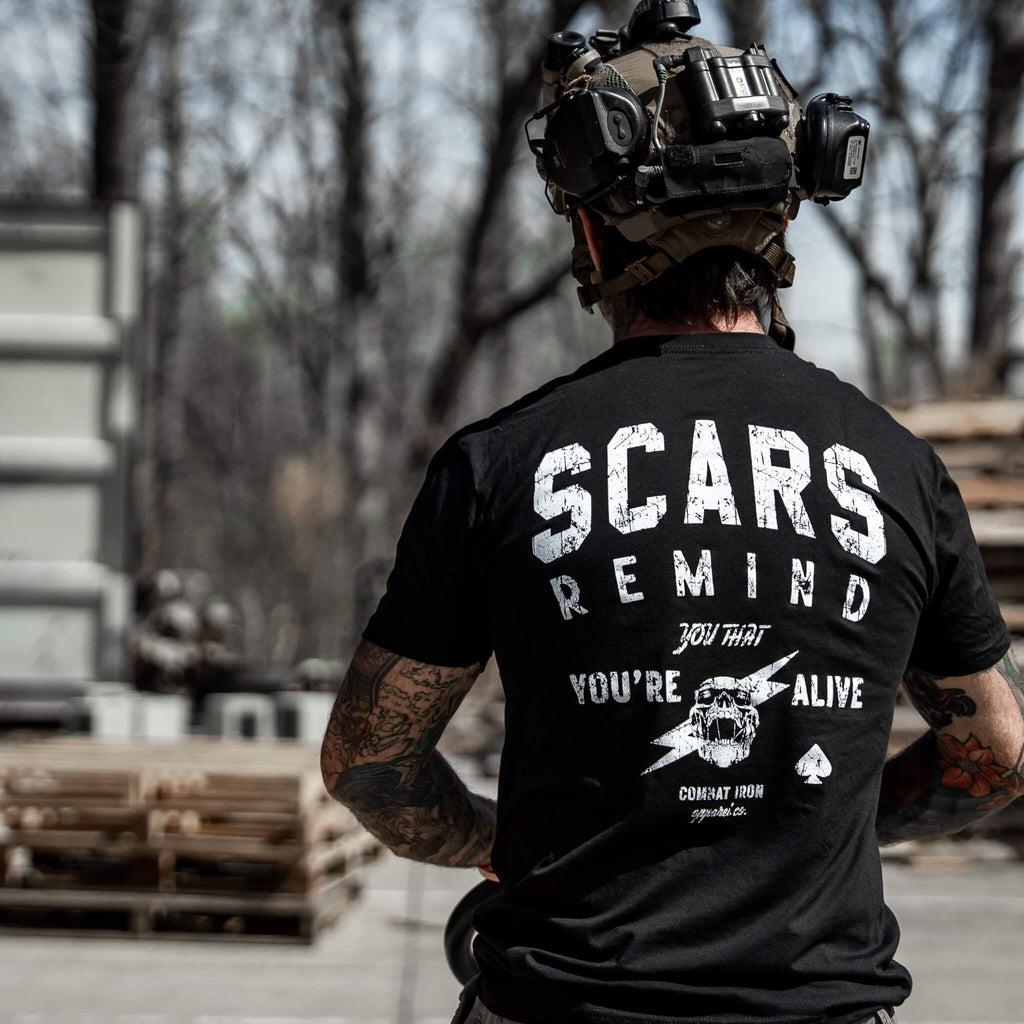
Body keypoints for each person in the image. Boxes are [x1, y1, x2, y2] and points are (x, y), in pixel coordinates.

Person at [320, 4, 1024, 1023]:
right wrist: (822, 823)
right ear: (782, 218)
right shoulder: (897, 468)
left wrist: (491, 838)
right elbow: (996, 753)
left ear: (592, 229)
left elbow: (368, 764)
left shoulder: (499, 463)